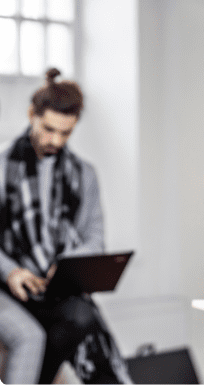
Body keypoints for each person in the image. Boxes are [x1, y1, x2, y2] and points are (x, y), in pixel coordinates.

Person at [0, 68, 132, 384]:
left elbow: (94, 238)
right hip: (9, 286)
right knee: (36, 334)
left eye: (65, 133)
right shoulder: (2, 168)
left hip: (53, 287)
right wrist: (12, 272)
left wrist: (68, 267)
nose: (55, 141)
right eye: (48, 130)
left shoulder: (83, 174)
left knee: (83, 317)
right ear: (32, 114)